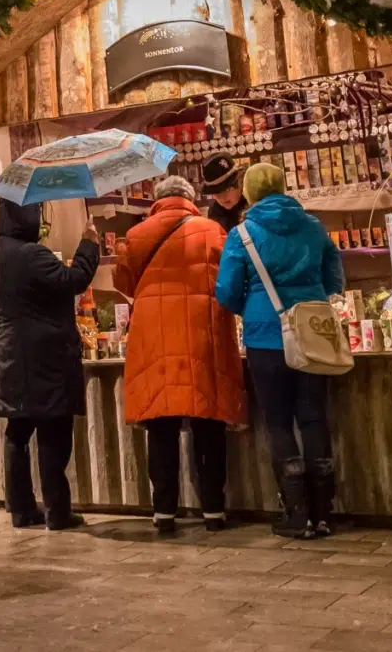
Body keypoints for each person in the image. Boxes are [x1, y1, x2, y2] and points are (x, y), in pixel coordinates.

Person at [216, 162, 343, 539]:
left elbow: (225, 292)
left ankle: (296, 514)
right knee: (313, 416)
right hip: (313, 333)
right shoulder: (313, 226)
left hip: (264, 339)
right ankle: (323, 512)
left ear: (250, 193)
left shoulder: (242, 235)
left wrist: (253, 310)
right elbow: (334, 278)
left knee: (278, 422)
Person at [114, 175, 245, 535]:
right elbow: (229, 281)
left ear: (157, 199)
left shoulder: (136, 235)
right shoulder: (213, 230)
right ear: (189, 199)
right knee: (209, 423)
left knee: (161, 428)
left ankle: (164, 513)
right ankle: (214, 511)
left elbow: (123, 285)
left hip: (154, 341)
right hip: (204, 336)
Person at [0, 197, 100, 530]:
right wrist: (89, 244)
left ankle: (21, 509)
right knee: (53, 432)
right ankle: (58, 512)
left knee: (17, 432)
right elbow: (73, 281)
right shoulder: (32, 255)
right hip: (44, 359)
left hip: (5, 358)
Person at [199, 155, 246, 234]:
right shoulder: (214, 214)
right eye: (214, 192)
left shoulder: (256, 205)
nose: (220, 197)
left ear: (240, 181)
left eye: (225, 189)